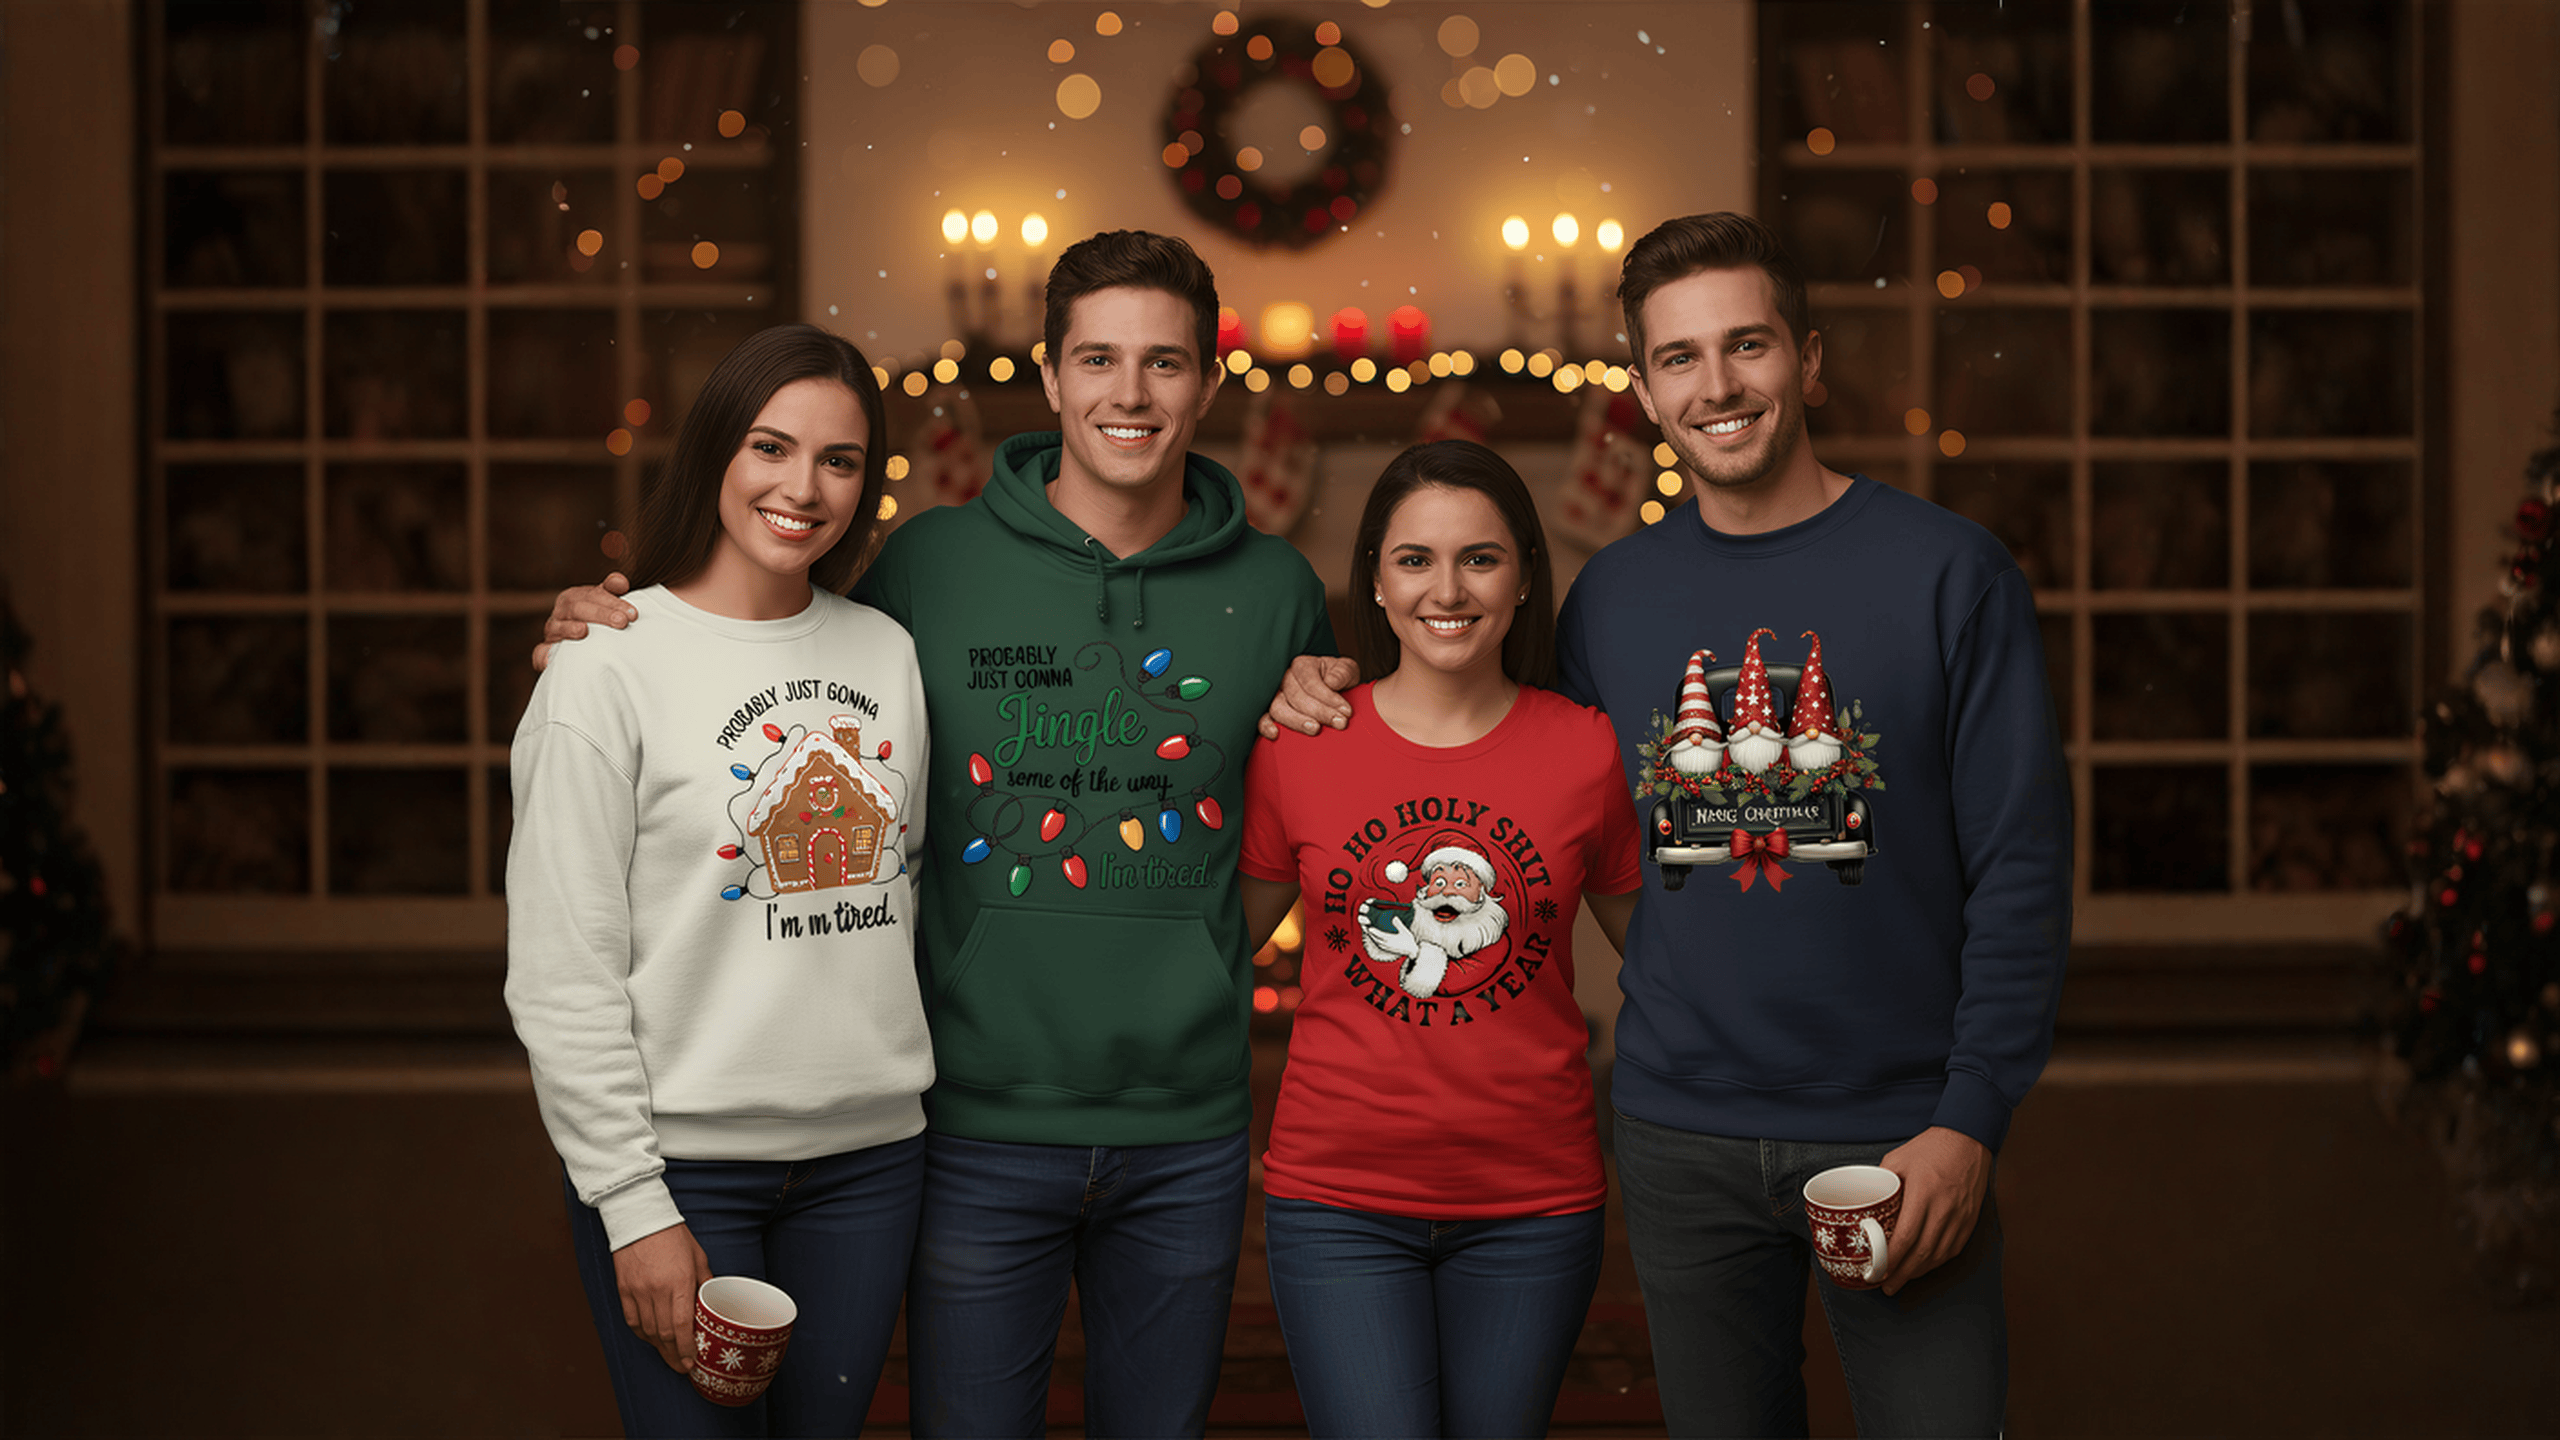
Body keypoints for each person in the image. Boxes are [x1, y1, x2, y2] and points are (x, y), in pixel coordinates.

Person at [1266, 212, 2073, 1437]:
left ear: (1805, 358)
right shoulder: (1615, 601)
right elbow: (1497, 765)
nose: (1718, 385)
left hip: (1898, 1125)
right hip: (1678, 1136)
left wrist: (1971, 1118)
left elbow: (2022, 867)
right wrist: (1321, 684)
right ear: (1643, 391)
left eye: (1745, 346)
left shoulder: (1948, 575)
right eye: (1680, 359)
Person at [537, 230, 1335, 1437]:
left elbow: (1294, 821)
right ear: (1051, 375)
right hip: (964, 1120)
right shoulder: (923, 573)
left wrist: (1200, 959)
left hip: (1148, 1122)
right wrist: (605, 624)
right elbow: (757, 649)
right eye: (1099, 360)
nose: (1130, 394)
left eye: (1165, 364)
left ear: (1208, 383)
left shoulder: (1277, 593)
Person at [505, 323, 932, 1437]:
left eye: (839, 460)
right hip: (685, 1168)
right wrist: (633, 1207)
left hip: (870, 1167)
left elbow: (906, 887)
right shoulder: (604, 670)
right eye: (770, 447)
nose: (803, 487)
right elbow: (562, 976)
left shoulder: (886, 652)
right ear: (713, 457)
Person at [1237, 440, 1641, 1438]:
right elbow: (1211, 948)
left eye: (1480, 558)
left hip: (1533, 1201)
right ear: (1373, 579)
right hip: (1337, 1199)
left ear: (1523, 578)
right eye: (1414, 559)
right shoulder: (1301, 742)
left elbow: (1669, 959)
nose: (1446, 588)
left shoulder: (1585, 748)